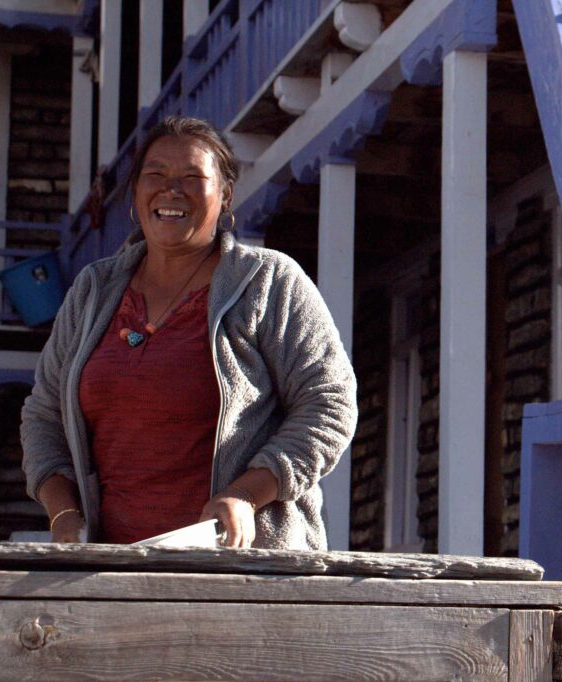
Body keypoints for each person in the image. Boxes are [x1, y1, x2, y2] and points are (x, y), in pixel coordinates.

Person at [21, 116, 357, 550]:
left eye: (192, 178)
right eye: (154, 176)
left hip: (242, 569)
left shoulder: (269, 281)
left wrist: (245, 495)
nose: (171, 190)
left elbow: (329, 403)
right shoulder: (92, 290)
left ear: (226, 195)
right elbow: (43, 414)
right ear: (135, 196)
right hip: (108, 576)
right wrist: (65, 514)